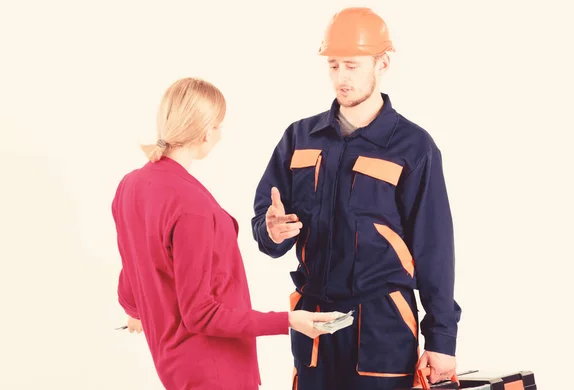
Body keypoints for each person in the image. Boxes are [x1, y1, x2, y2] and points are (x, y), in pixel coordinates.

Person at [251, 7, 462, 390]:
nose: (341, 78)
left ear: (383, 63)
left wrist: (442, 339)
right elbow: (265, 226)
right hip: (314, 320)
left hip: (383, 323)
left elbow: (435, 249)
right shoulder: (300, 138)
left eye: (351, 65)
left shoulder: (413, 147)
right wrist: (272, 232)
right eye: (333, 66)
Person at [112, 77, 336, 390]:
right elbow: (201, 315)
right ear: (205, 131)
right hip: (215, 371)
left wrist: (133, 308)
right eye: (219, 126)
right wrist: (289, 321)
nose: (220, 134)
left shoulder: (130, 186)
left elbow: (134, 263)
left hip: (174, 366)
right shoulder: (192, 207)